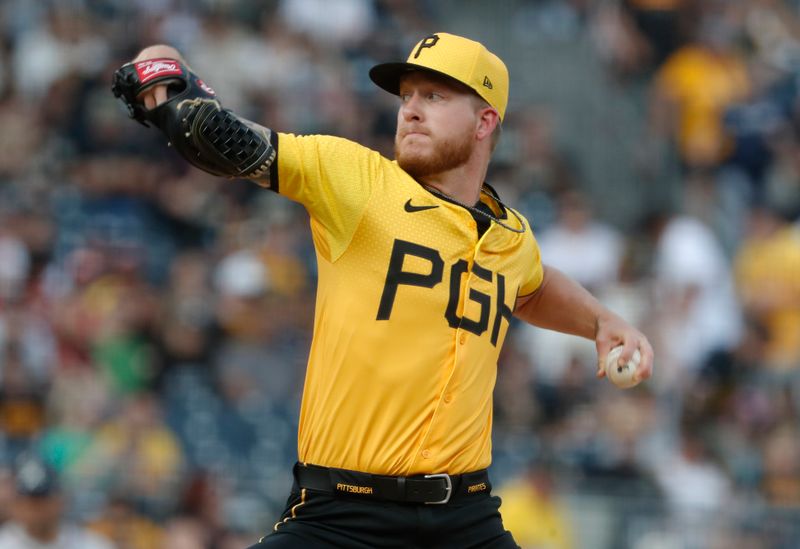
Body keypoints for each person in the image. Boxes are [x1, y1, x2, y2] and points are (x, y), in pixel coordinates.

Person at [112, 32, 654, 549]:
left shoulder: (511, 235)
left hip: (465, 518)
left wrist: (603, 321)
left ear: (485, 120)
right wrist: (168, 83)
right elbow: (220, 136)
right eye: (407, 96)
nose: (411, 108)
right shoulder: (357, 181)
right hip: (343, 517)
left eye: (435, 96)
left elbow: (531, 288)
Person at [0, 456, 114, 549]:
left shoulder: (92, 544)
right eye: (29, 501)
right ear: (15, 505)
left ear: (61, 500)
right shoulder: (4, 543)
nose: (36, 509)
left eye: (43, 500)